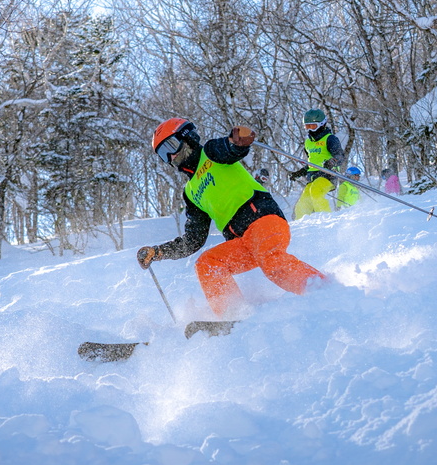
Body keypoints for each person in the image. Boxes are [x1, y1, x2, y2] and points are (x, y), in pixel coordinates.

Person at [137, 118, 327, 319]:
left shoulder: (210, 153)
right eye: (163, 154)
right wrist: (159, 252)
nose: (171, 155)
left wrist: (237, 141)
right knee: (208, 263)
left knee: (271, 260)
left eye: (171, 146)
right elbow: (193, 239)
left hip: (264, 222)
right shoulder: (190, 192)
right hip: (243, 243)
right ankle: (233, 317)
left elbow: (230, 149)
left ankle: (324, 292)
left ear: (188, 137)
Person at [288, 108, 347, 219]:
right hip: (313, 177)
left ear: (322, 124)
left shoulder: (330, 139)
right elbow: (312, 162)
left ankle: (327, 219)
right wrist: (300, 172)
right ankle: (301, 224)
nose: (310, 129)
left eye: (313, 126)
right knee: (303, 201)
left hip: (328, 175)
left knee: (315, 192)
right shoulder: (308, 142)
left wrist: (332, 162)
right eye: (307, 126)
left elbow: (340, 157)